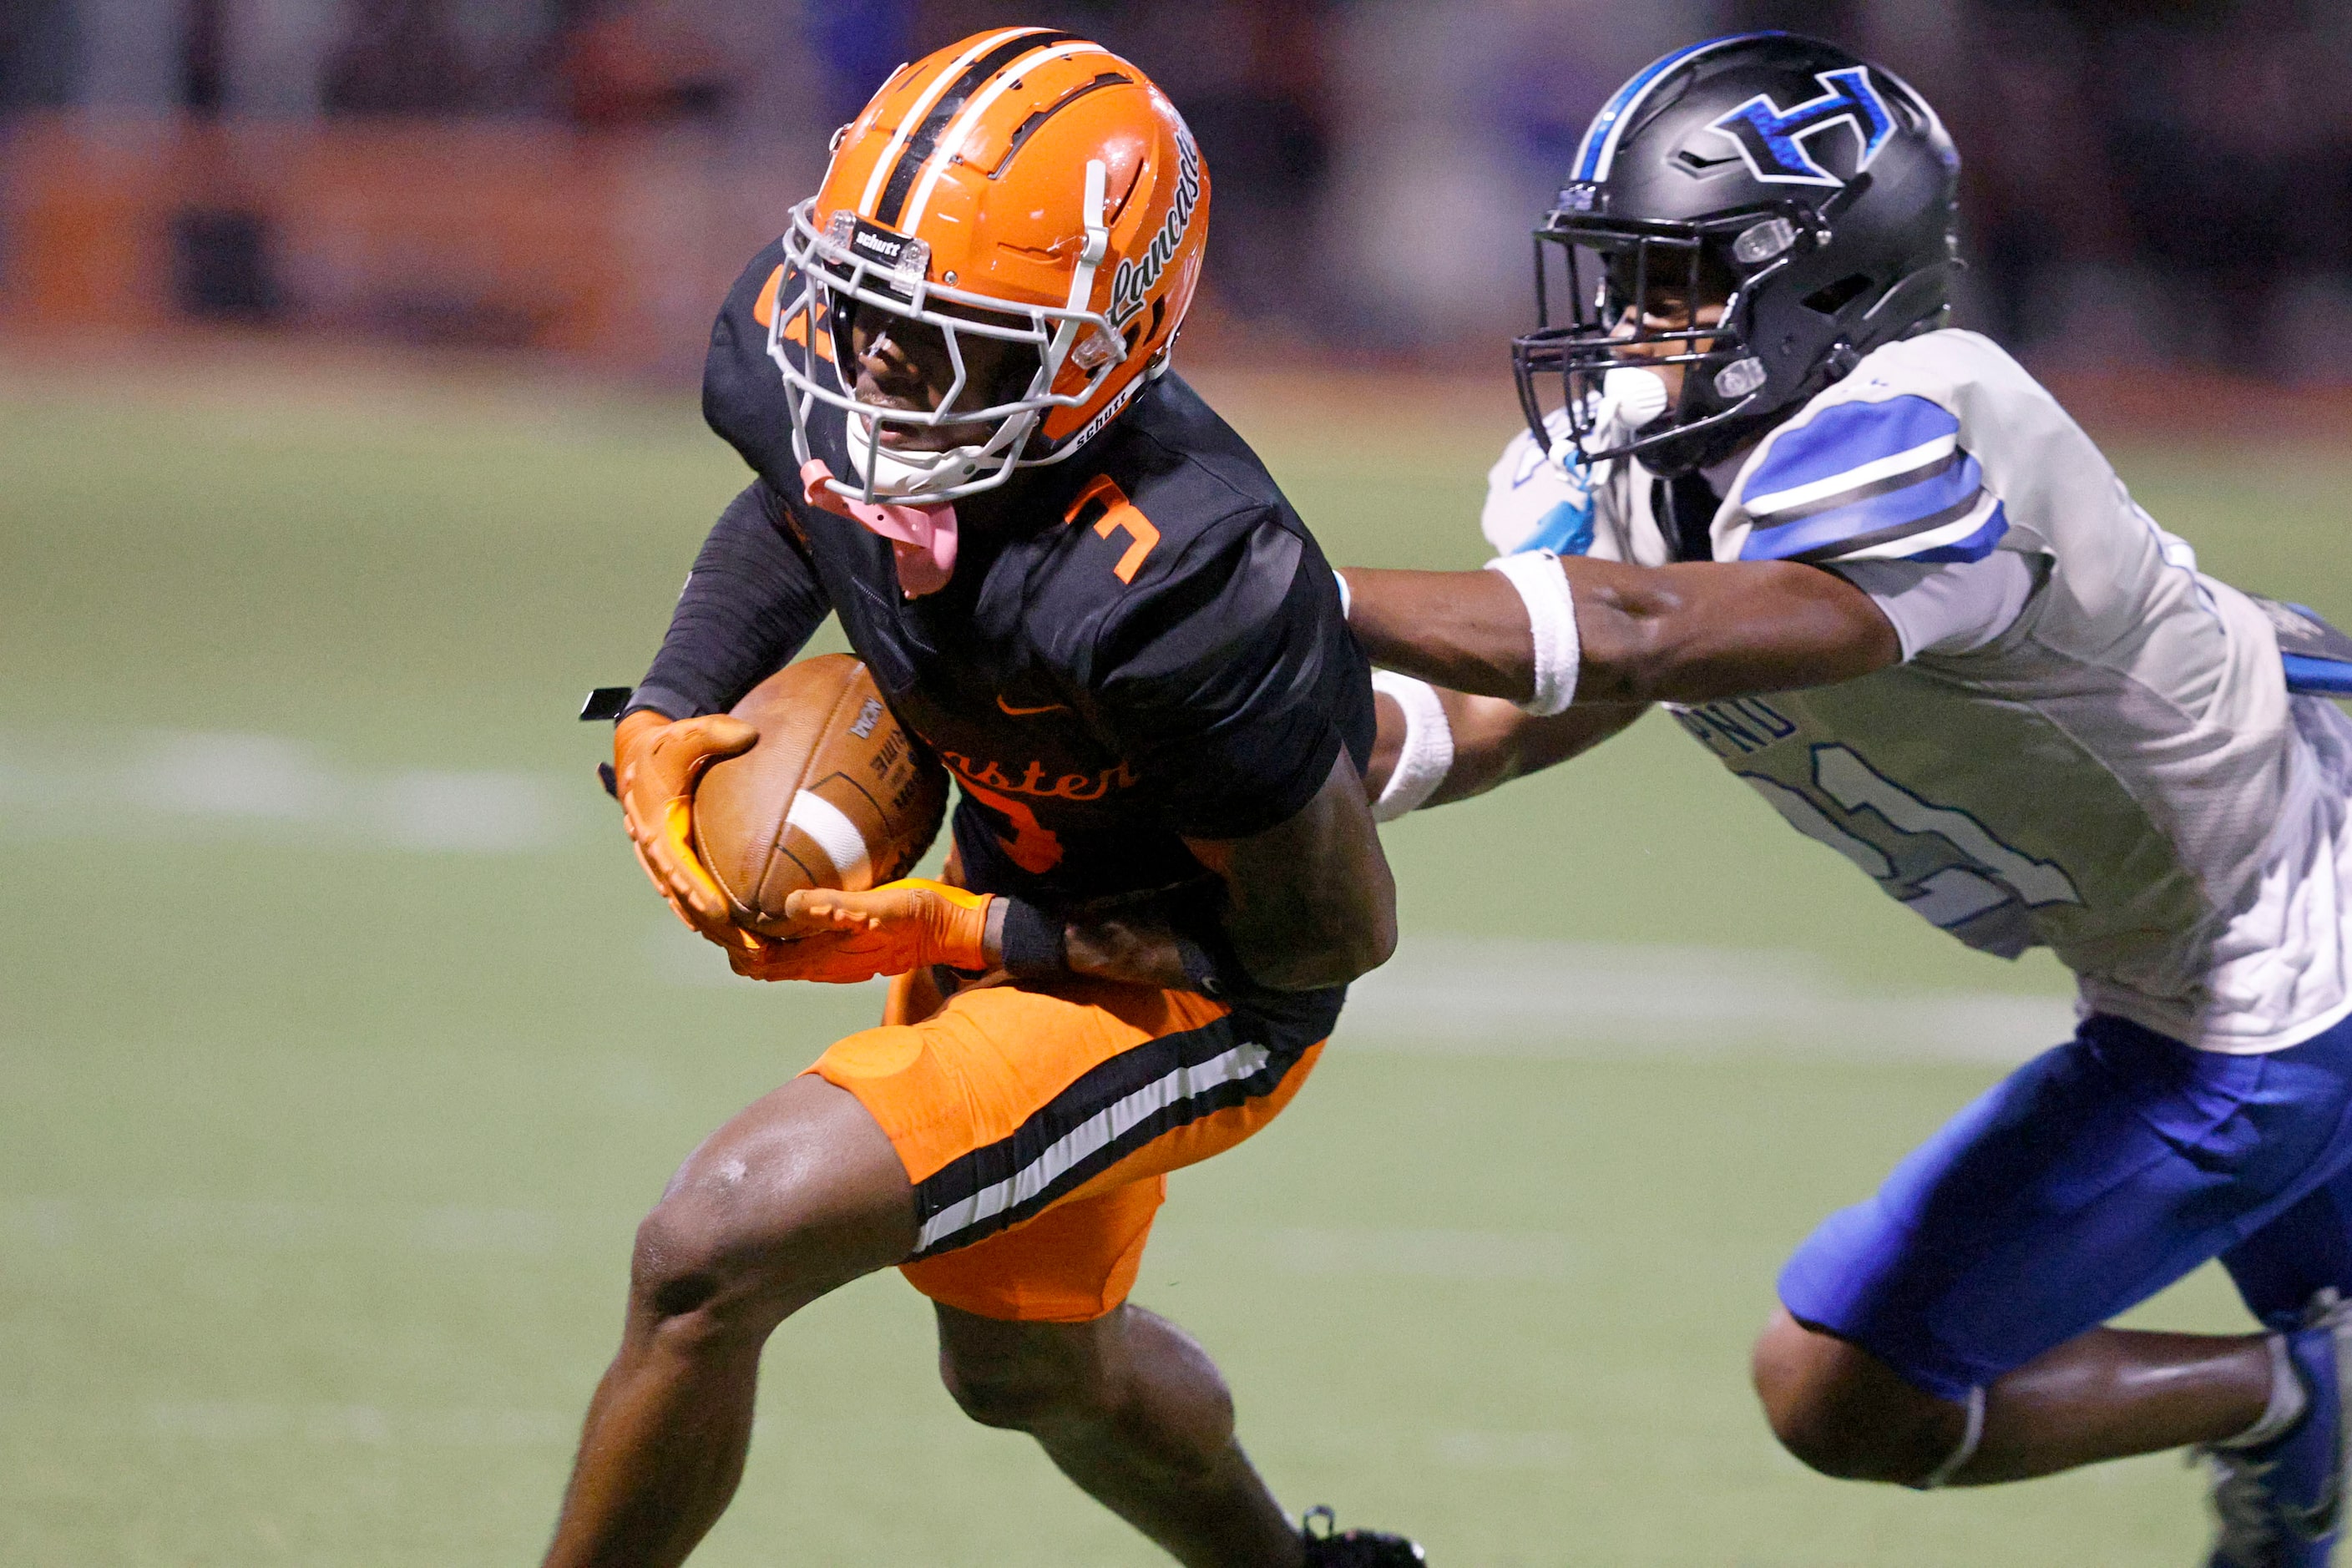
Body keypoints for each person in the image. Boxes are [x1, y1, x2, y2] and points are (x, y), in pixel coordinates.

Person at [1341, 32, 2352, 1568]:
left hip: (2282, 965)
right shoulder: (1647, 452)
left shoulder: (1931, 412)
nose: (1623, 324)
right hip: (2208, 920)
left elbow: (1645, 634)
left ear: (1816, 284)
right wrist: (1307, 773)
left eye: (1670, 282)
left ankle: (2296, 1398)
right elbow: (1542, 688)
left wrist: (1279, 584)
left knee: (1840, 1385)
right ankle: (2304, 1393)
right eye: (1619, 277)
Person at [548, 29, 1423, 1568]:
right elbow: (800, 487)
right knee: (1024, 1366)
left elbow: (1318, 942)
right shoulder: (806, 333)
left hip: (1195, 981)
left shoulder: (1181, 576)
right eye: (866, 306)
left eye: (938, 335)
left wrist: (966, 923)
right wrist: (672, 705)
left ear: (1102, 341)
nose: (872, 361)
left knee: (712, 1245)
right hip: (1022, 887)